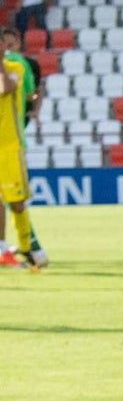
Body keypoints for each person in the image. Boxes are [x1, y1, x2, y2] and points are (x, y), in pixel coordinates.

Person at [1, 38, 49, 270]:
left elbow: (5, 88)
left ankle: (26, 250)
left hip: (9, 146)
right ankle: (5, 251)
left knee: (17, 202)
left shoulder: (16, 68)